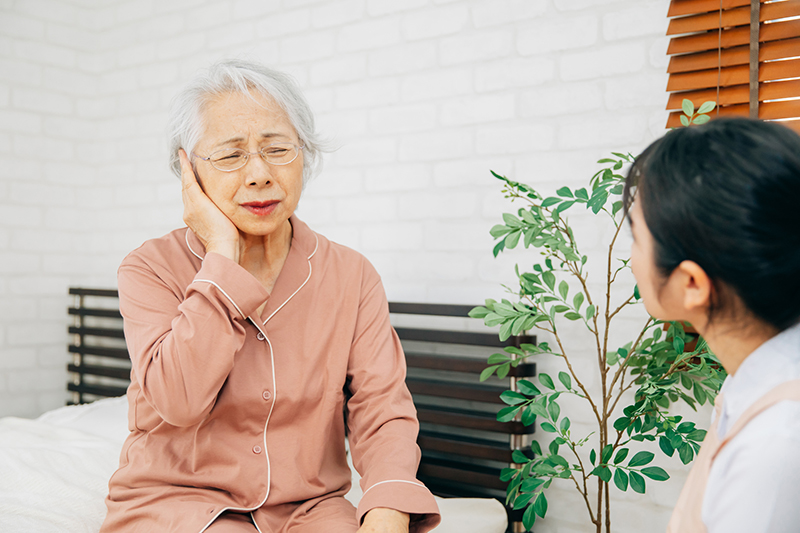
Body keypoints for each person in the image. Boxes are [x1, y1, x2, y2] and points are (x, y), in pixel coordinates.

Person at [99, 59, 440, 533]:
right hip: (179, 501)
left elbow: (381, 408)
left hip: (308, 507)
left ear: (305, 155)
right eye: (230, 155)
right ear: (188, 171)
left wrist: (386, 508)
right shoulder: (149, 268)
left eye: (277, 149)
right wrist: (221, 255)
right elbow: (177, 400)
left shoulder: (352, 274)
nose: (259, 173)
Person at [623, 117, 800, 533]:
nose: (630, 257)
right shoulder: (751, 383)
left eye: (636, 236)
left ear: (691, 283)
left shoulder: (775, 443)